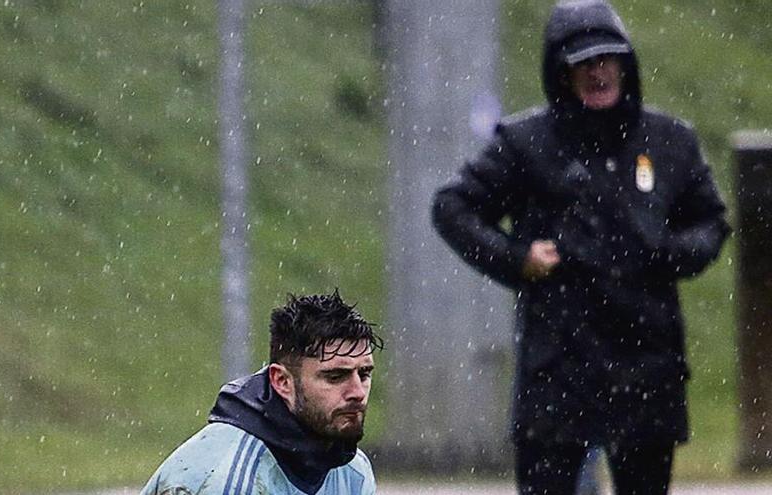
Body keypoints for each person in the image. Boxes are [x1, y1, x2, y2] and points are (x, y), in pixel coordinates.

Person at [432, 1, 730, 494]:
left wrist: (669, 253)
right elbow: (453, 207)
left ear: (625, 64)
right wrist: (517, 258)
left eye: (606, 59)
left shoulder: (669, 141)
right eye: (582, 62)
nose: (597, 72)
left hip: (646, 362)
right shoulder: (525, 144)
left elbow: (711, 221)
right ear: (561, 72)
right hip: (558, 365)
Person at [140, 290, 383, 495]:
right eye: (335, 377)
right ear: (282, 382)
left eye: (364, 374)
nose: (357, 392)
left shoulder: (355, 472)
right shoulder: (225, 483)